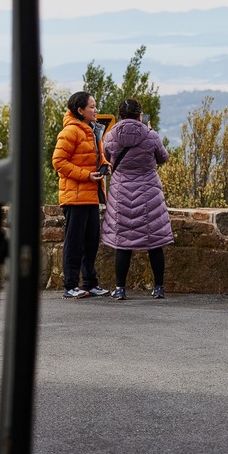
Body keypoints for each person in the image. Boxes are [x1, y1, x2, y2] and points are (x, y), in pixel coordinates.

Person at [101, 98, 175, 300]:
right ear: (140, 115)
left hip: (121, 194)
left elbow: (106, 157)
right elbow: (163, 158)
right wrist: (150, 133)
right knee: (154, 242)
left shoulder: (111, 136)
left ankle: (120, 288)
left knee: (122, 243)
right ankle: (158, 287)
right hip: (149, 192)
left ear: (120, 115)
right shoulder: (150, 135)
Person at [52, 91, 110, 299]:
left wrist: (105, 165)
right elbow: (58, 162)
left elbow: (97, 157)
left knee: (91, 241)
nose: (96, 110)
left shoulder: (92, 130)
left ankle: (90, 283)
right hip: (75, 197)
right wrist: (86, 175)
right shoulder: (70, 132)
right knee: (74, 243)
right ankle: (70, 286)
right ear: (80, 110)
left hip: (91, 195)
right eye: (92, 107)